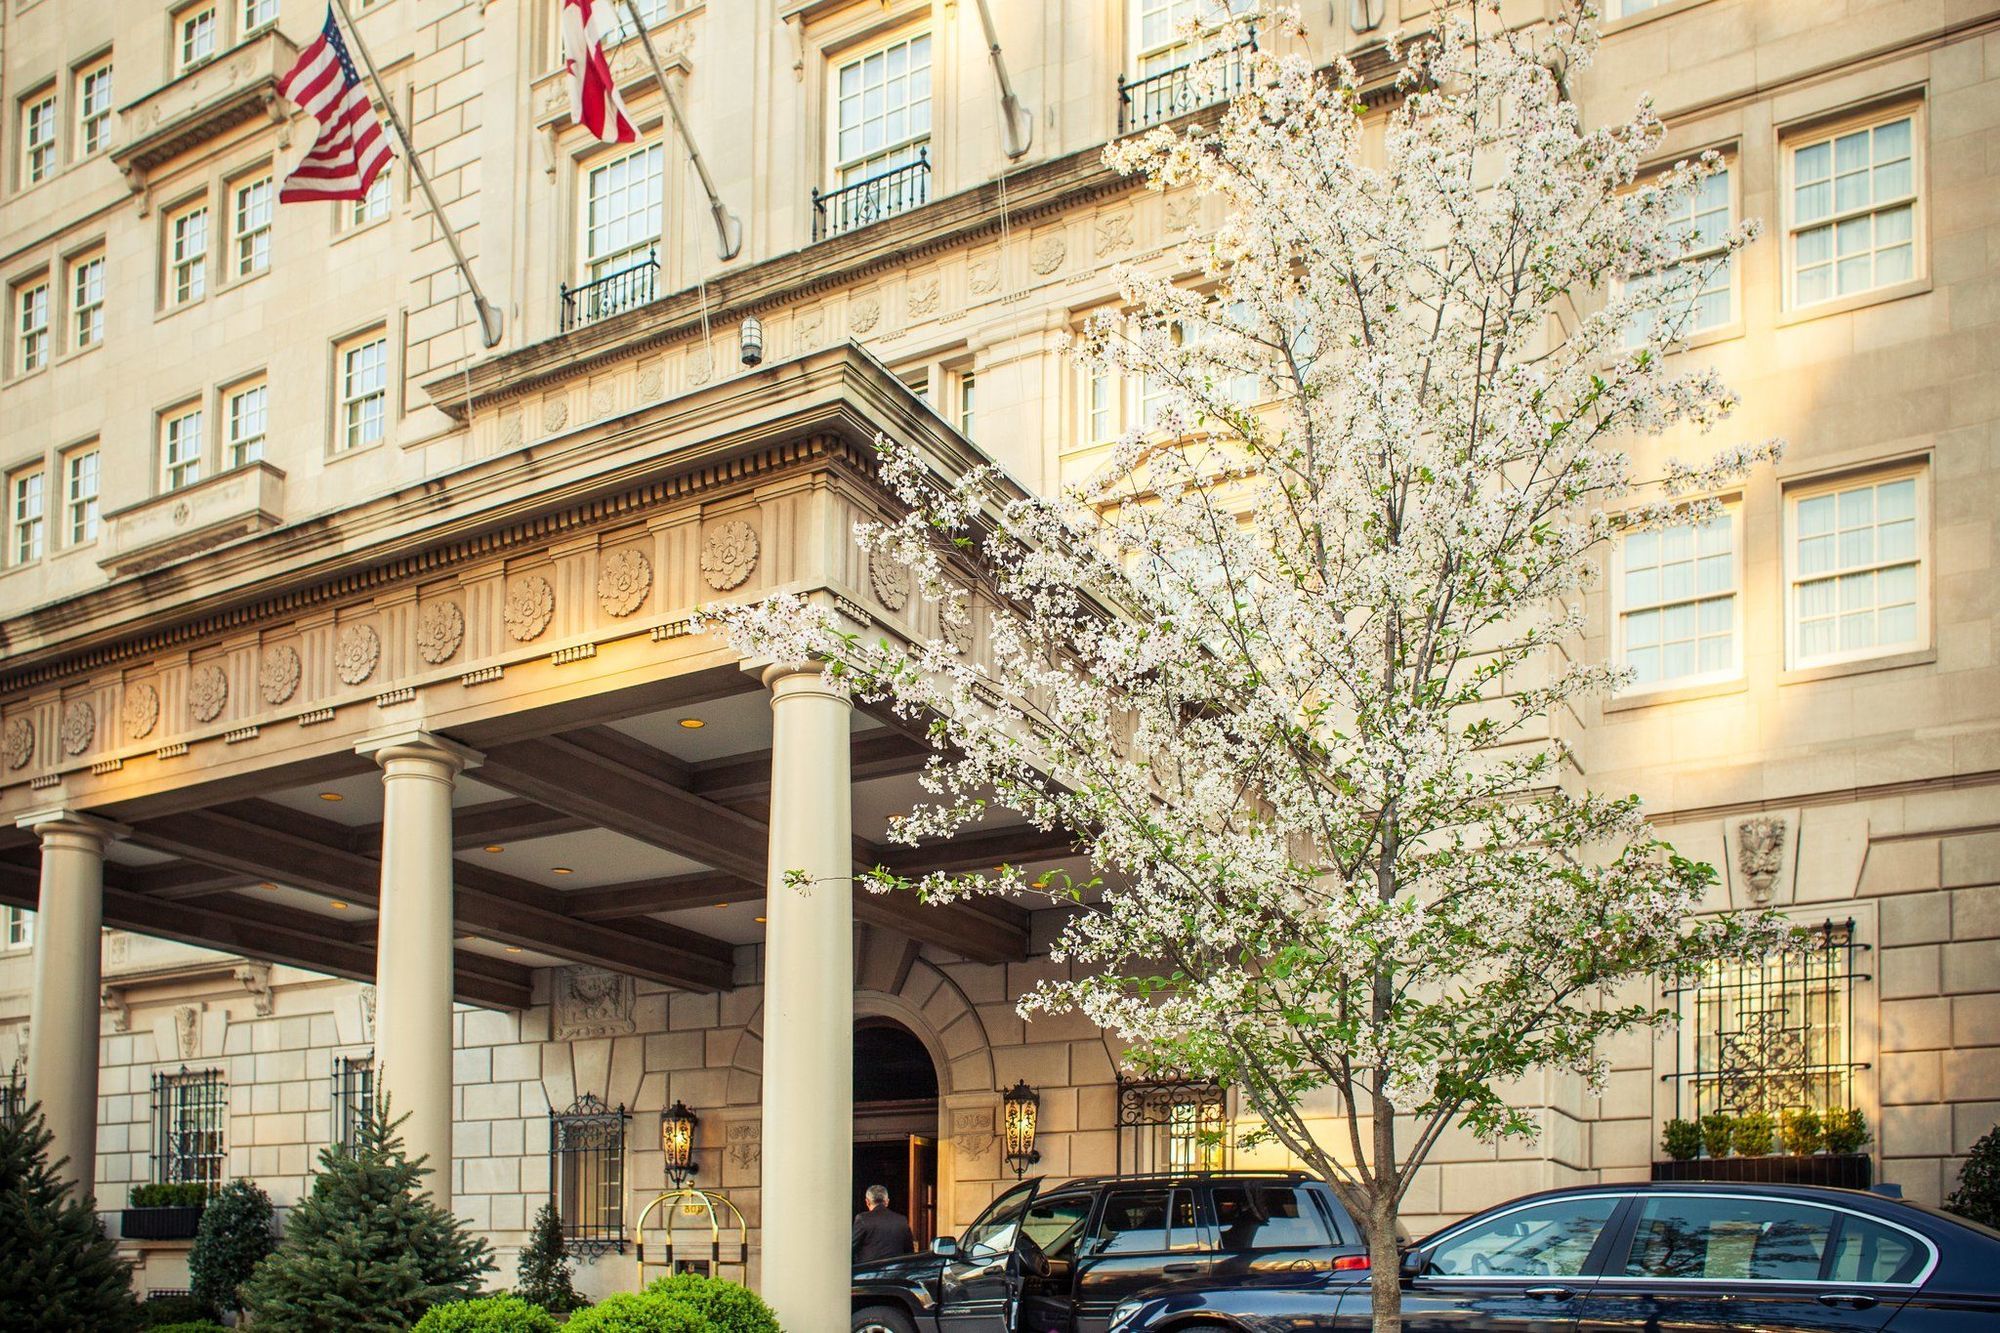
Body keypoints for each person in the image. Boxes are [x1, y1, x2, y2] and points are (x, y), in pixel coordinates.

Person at [852, 1183, 917, 1264]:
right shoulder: (901, 1220)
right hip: (896, 1272)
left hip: (868, 1272)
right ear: (887, 1202)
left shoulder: (862, 1219)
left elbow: (851, 1247)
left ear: (867, 1202)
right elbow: (910, 1251)